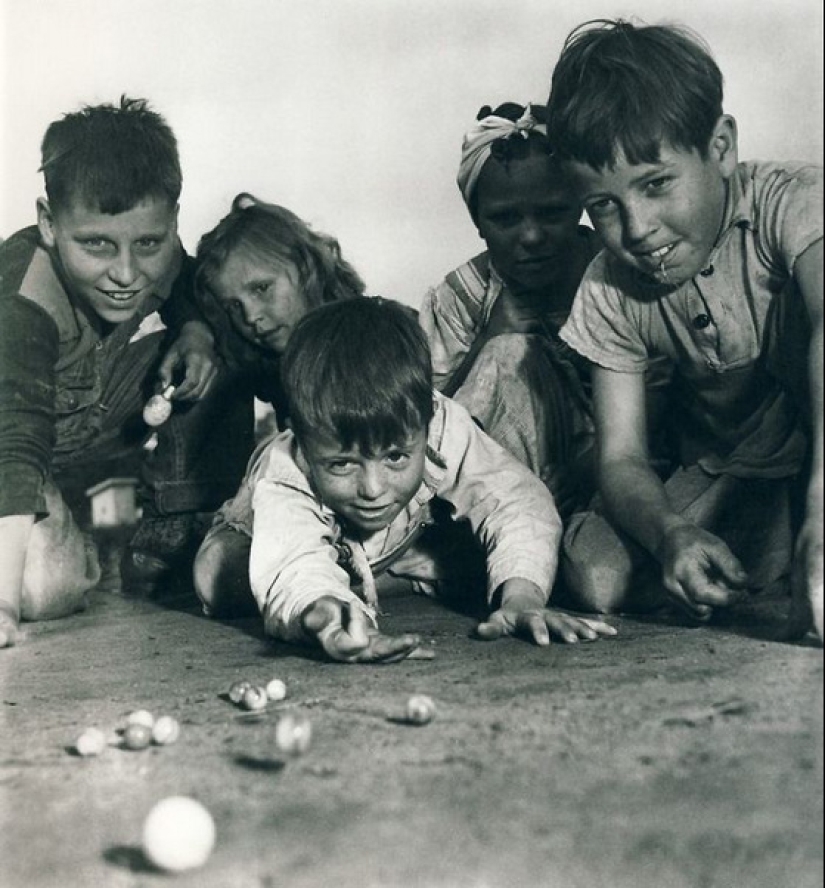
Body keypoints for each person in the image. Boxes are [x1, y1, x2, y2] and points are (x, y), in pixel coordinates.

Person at [544, 20, 823, 641]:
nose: (637, 228)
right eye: (604, 205)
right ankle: (767, 558)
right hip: (741, 473)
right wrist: (672, 534)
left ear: (720, 148)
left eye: (656, 183)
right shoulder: (608, 285)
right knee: (597, 576)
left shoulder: (795, 202)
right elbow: (620, 458)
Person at [193, 297, 616, 662]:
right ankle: (366, 580)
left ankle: (375, 572)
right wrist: (327, 616)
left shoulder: (441, 420)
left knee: (500, 551)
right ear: (303, 440)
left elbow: (516, 499)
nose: (373, 489)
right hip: (271, 534)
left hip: (392, 540)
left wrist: (523, 597)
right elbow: (291, 563)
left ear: (427, 420)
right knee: (217, 577)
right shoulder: (286, 465)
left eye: (395, 457)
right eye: (342, 464)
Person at [0, 96, 253, 648]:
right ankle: (80, 543)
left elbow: (189, 286)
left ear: (170, 225)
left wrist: (196, 332)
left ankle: (179, 530)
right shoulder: (22, 298)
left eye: (148, 244)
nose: (125, 273)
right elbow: (14, 445)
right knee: (40, 591)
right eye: (95, 244)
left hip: (84, 420)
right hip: (13, 445)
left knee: (229, 338)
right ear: (48, 223)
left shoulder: (155, 258)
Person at [419, 102, 601, 519]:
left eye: (552, 212)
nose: (532, 236)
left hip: (603, 468)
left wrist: (585, 470)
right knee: (506, 355)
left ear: (580, 203)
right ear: (477, 220)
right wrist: (491, 337)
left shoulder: (613, 276)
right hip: (481, 485)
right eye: (505, 218)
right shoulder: (458, 297)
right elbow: (423, 425)